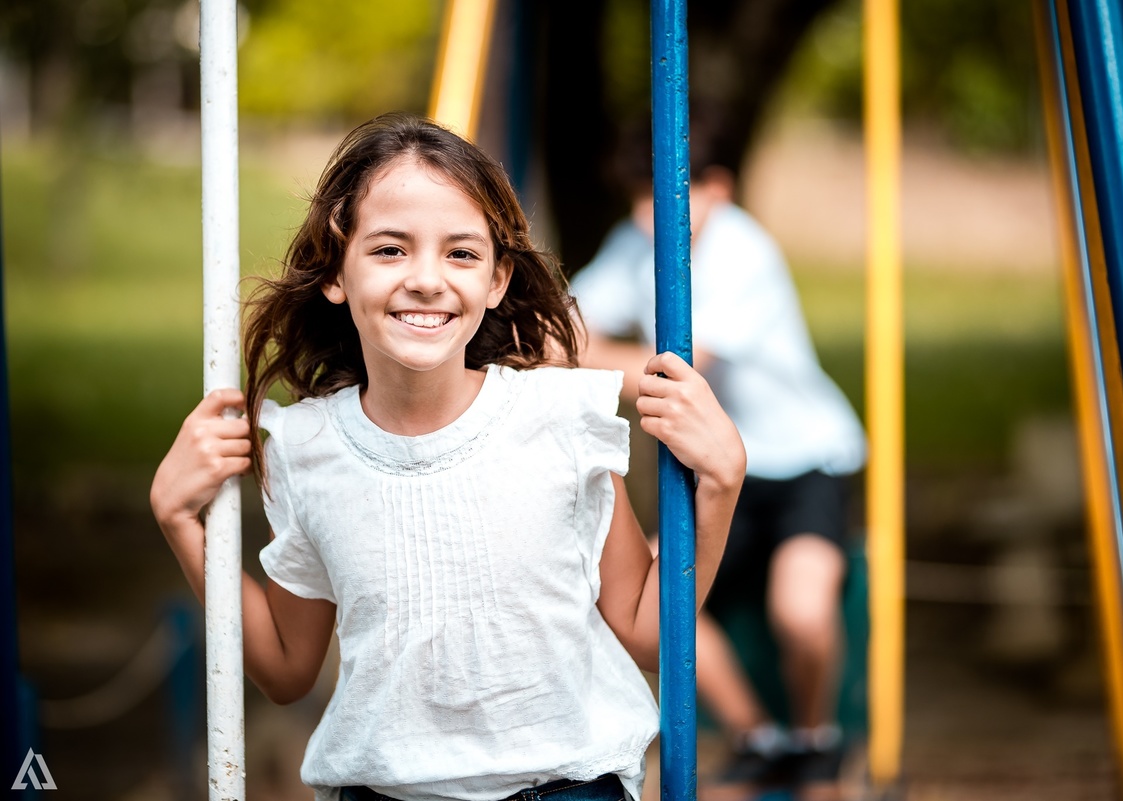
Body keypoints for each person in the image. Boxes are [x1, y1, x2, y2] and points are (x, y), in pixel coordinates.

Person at [149, 111, 746, 801]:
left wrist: (721, 486)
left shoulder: (557, 416)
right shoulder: (309, 449)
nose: (427, 279)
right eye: (390, 250)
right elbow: (286, 668)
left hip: (565, 787)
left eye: (460, 253)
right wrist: (180, 522)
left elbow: (648, 633)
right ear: (336, 272)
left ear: (495, 280)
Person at [569, 111, 867, 785]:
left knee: (801, 613)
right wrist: (573, 351)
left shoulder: (741, 251)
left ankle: (817, 739)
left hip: (801, 462)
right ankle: (758, 736)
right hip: (716, 466)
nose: (650, 214)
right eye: (639, 196)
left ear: (719, 189)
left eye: (667, 195)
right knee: (649, 600)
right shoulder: (632, 244)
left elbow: (678, 373)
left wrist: (575, 359)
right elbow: (562, 324)